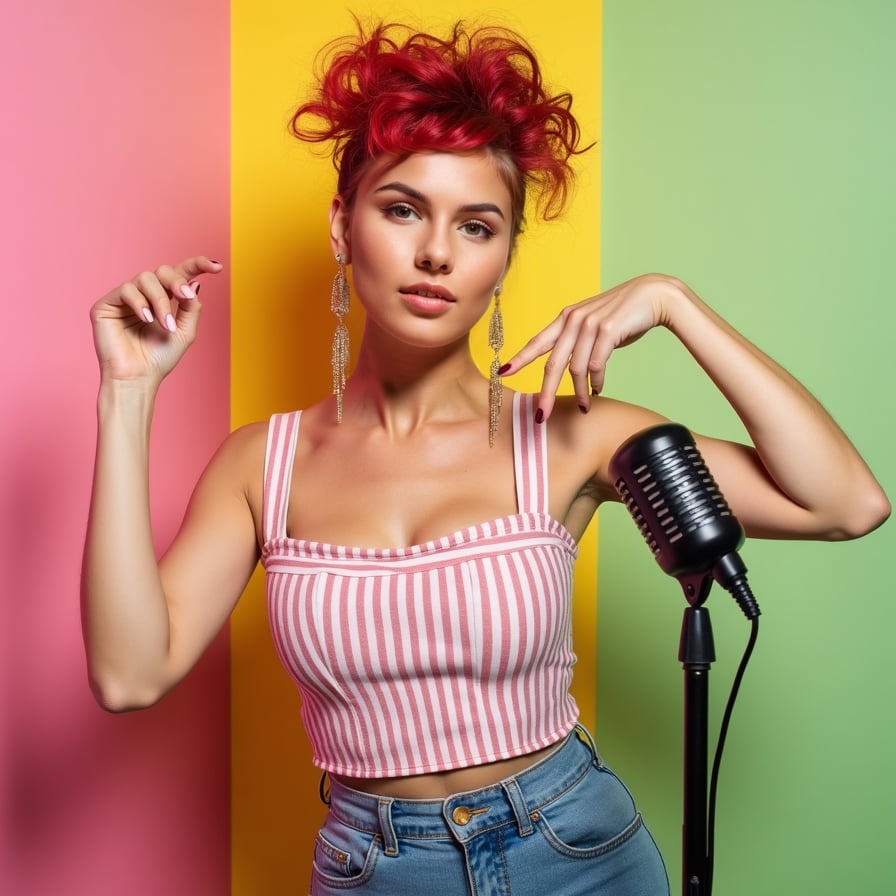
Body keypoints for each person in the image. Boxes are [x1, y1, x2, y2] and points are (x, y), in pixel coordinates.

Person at [82, 20, 889, 896]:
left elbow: (844, 503)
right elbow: (130, 674)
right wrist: (128, 393)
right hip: (373, 869)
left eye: (477, 225)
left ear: (503, 258)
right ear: (342, 227)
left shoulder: (574, 433)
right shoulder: (259, 466)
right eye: (402, 210)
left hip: (578, 851)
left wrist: (675, 303)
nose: (436, 252)